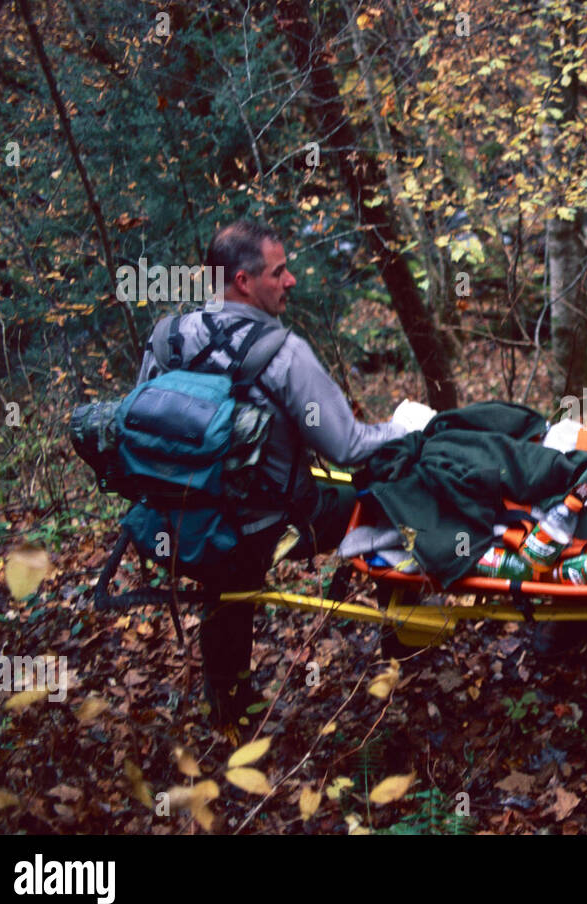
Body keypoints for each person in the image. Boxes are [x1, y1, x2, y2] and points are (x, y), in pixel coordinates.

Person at [136, 220, 407, 729]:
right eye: (279, 272)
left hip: (175, 523)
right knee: (385, 499)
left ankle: (229, 705)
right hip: (262, 526)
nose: (291, 281)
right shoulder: (282, 352)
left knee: (228, 562)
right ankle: (404, 647)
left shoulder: (166, 339)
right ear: (243, 280)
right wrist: (404, 429)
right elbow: (347, 447)